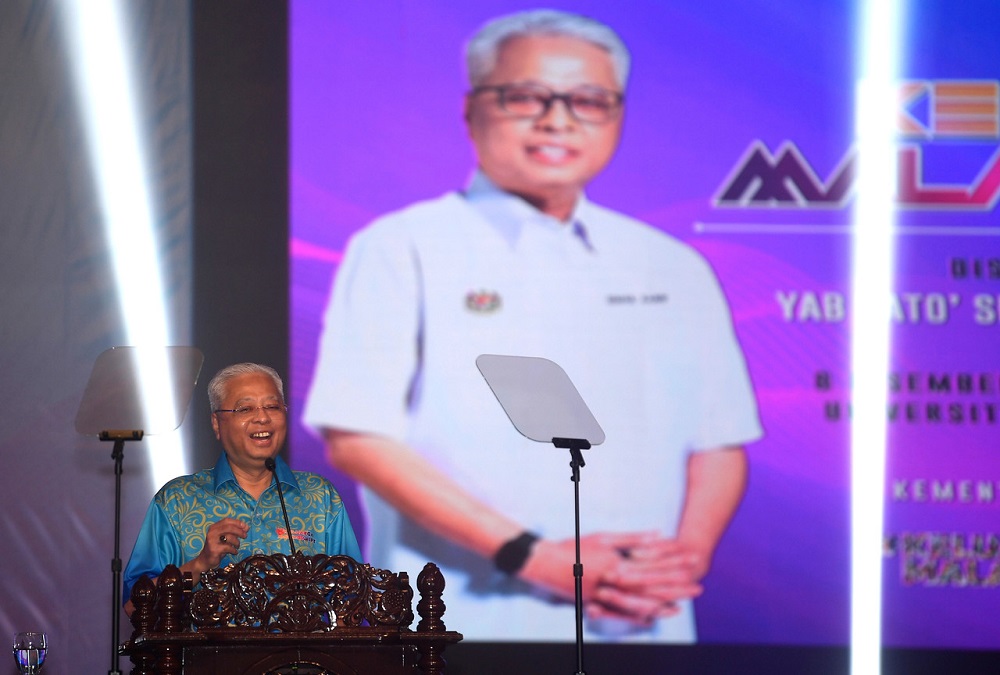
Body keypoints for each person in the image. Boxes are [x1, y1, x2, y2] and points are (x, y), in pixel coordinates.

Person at [304, 9, 762, 642]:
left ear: (618, 116)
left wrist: (679, 568)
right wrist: (534, 557)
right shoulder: (402, 247)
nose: (558, 120)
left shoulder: (672, 265)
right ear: (471, 110)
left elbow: (719, 443)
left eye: (588, 101)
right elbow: (358, 436)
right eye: (525, 96)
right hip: (457, 624)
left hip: (640, 626)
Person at [122, 362, 362, 612]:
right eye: (245, 408)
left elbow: (354, 596)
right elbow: (133, 607)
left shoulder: (320, 497)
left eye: (272, 407)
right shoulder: (177, 500)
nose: (262, 418)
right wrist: (199, 565)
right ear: (217, 423)